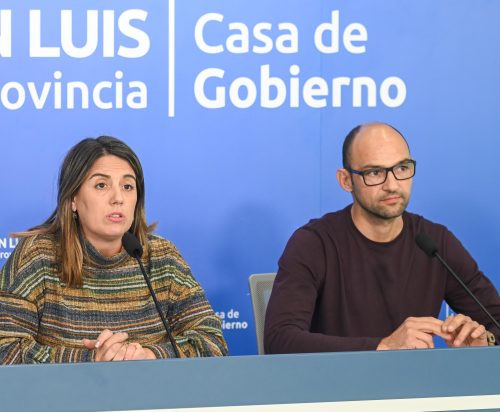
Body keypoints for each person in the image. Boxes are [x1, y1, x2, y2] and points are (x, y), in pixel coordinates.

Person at [264, 122, 500, 354]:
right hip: (335, 379)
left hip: (416, 380)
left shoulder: (435, 243)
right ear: (346, 180)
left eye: (402, 168)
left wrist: (485, 342)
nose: (392, 185)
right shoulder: (313, 243)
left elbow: (495, 321)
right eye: (375, 173)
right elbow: (280, 339)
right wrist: (383, 346)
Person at [0, 136, 228, 363]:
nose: (118, 198)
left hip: (153, 387)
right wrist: (92, 360)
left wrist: (149, 355)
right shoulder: (38, 256)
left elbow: (212, 342)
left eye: (127, 186)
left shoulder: (162, 257)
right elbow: (5, 349)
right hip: (67, 389)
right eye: (101, 185)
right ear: (72, 199)